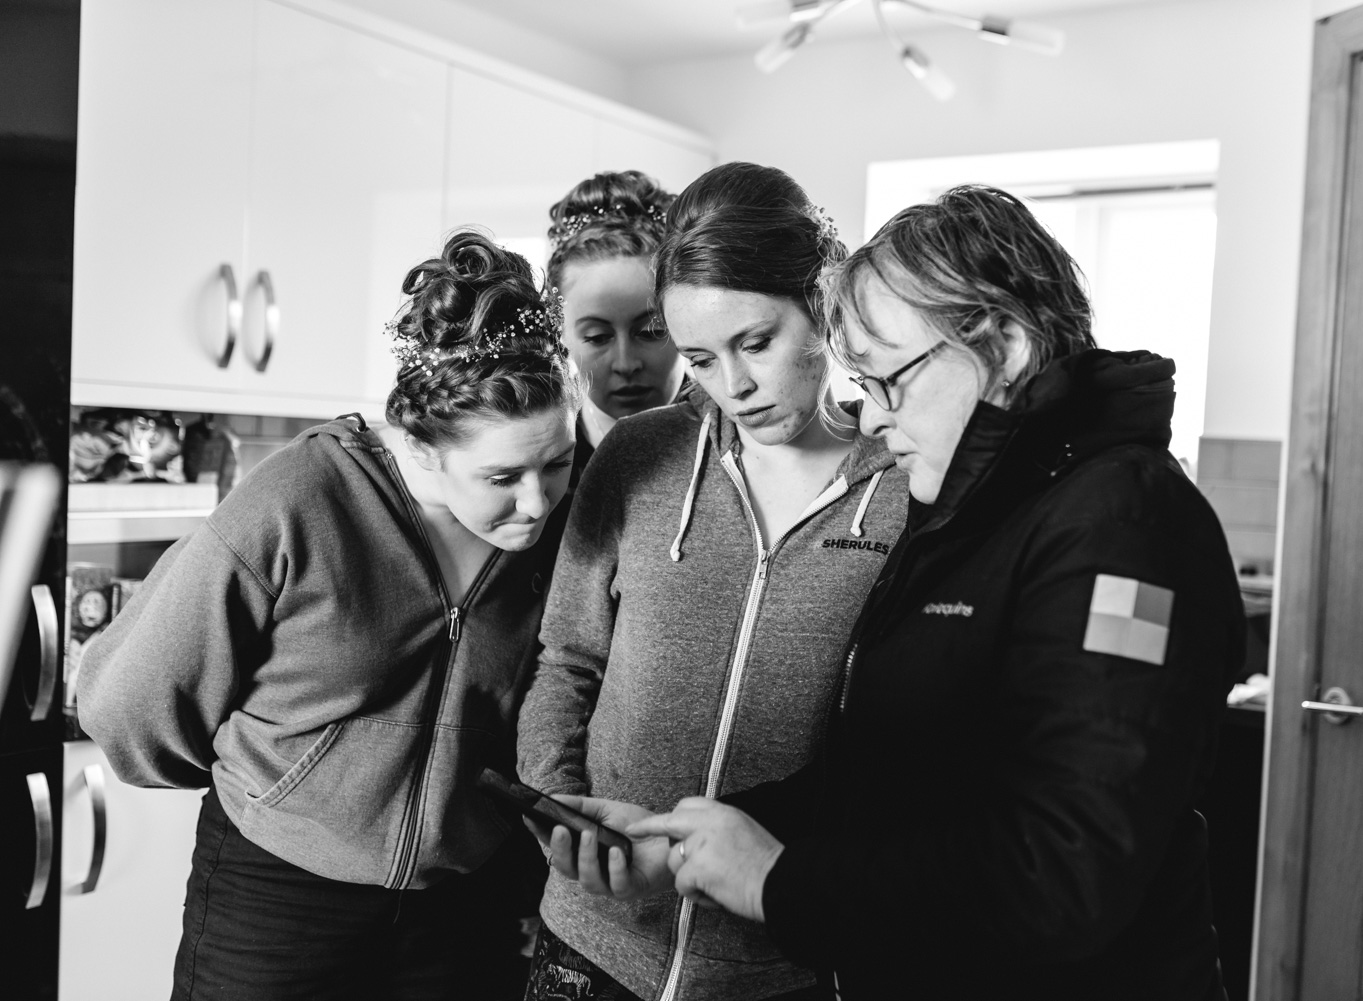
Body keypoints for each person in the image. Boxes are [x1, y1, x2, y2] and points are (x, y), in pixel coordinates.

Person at [621, 186, 1246, 999]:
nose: (872, 419)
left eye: (890, 381)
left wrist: (780, 880)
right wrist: (698, 836)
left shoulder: (1129, 525)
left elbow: (1064, 874)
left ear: (1009, 345)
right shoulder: (973, 507)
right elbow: (898, 771)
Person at [77, 231, 580, 1001]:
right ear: (419, 444)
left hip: (461, 910)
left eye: (556, 462)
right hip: (277, 900)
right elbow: (125, 703)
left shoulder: (563, 522)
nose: (538, 502)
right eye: (503, 476)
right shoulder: (296, 500)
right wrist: (279, 791)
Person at [514, 162, 909, 1001]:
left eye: (756, 342)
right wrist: (559, 808)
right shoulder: (638, 457)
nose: (732, 386)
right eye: (698, 356)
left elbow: (899, 744)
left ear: (824, 301)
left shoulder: (907, 488)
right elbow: (566, 660)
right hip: (588, 949)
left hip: (784, 965)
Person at [545, 170, 688, 479]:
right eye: (597, 337)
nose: (626, 364)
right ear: (561, 334)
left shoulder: (739, 440)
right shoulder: (543, 456)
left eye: (652, 331)